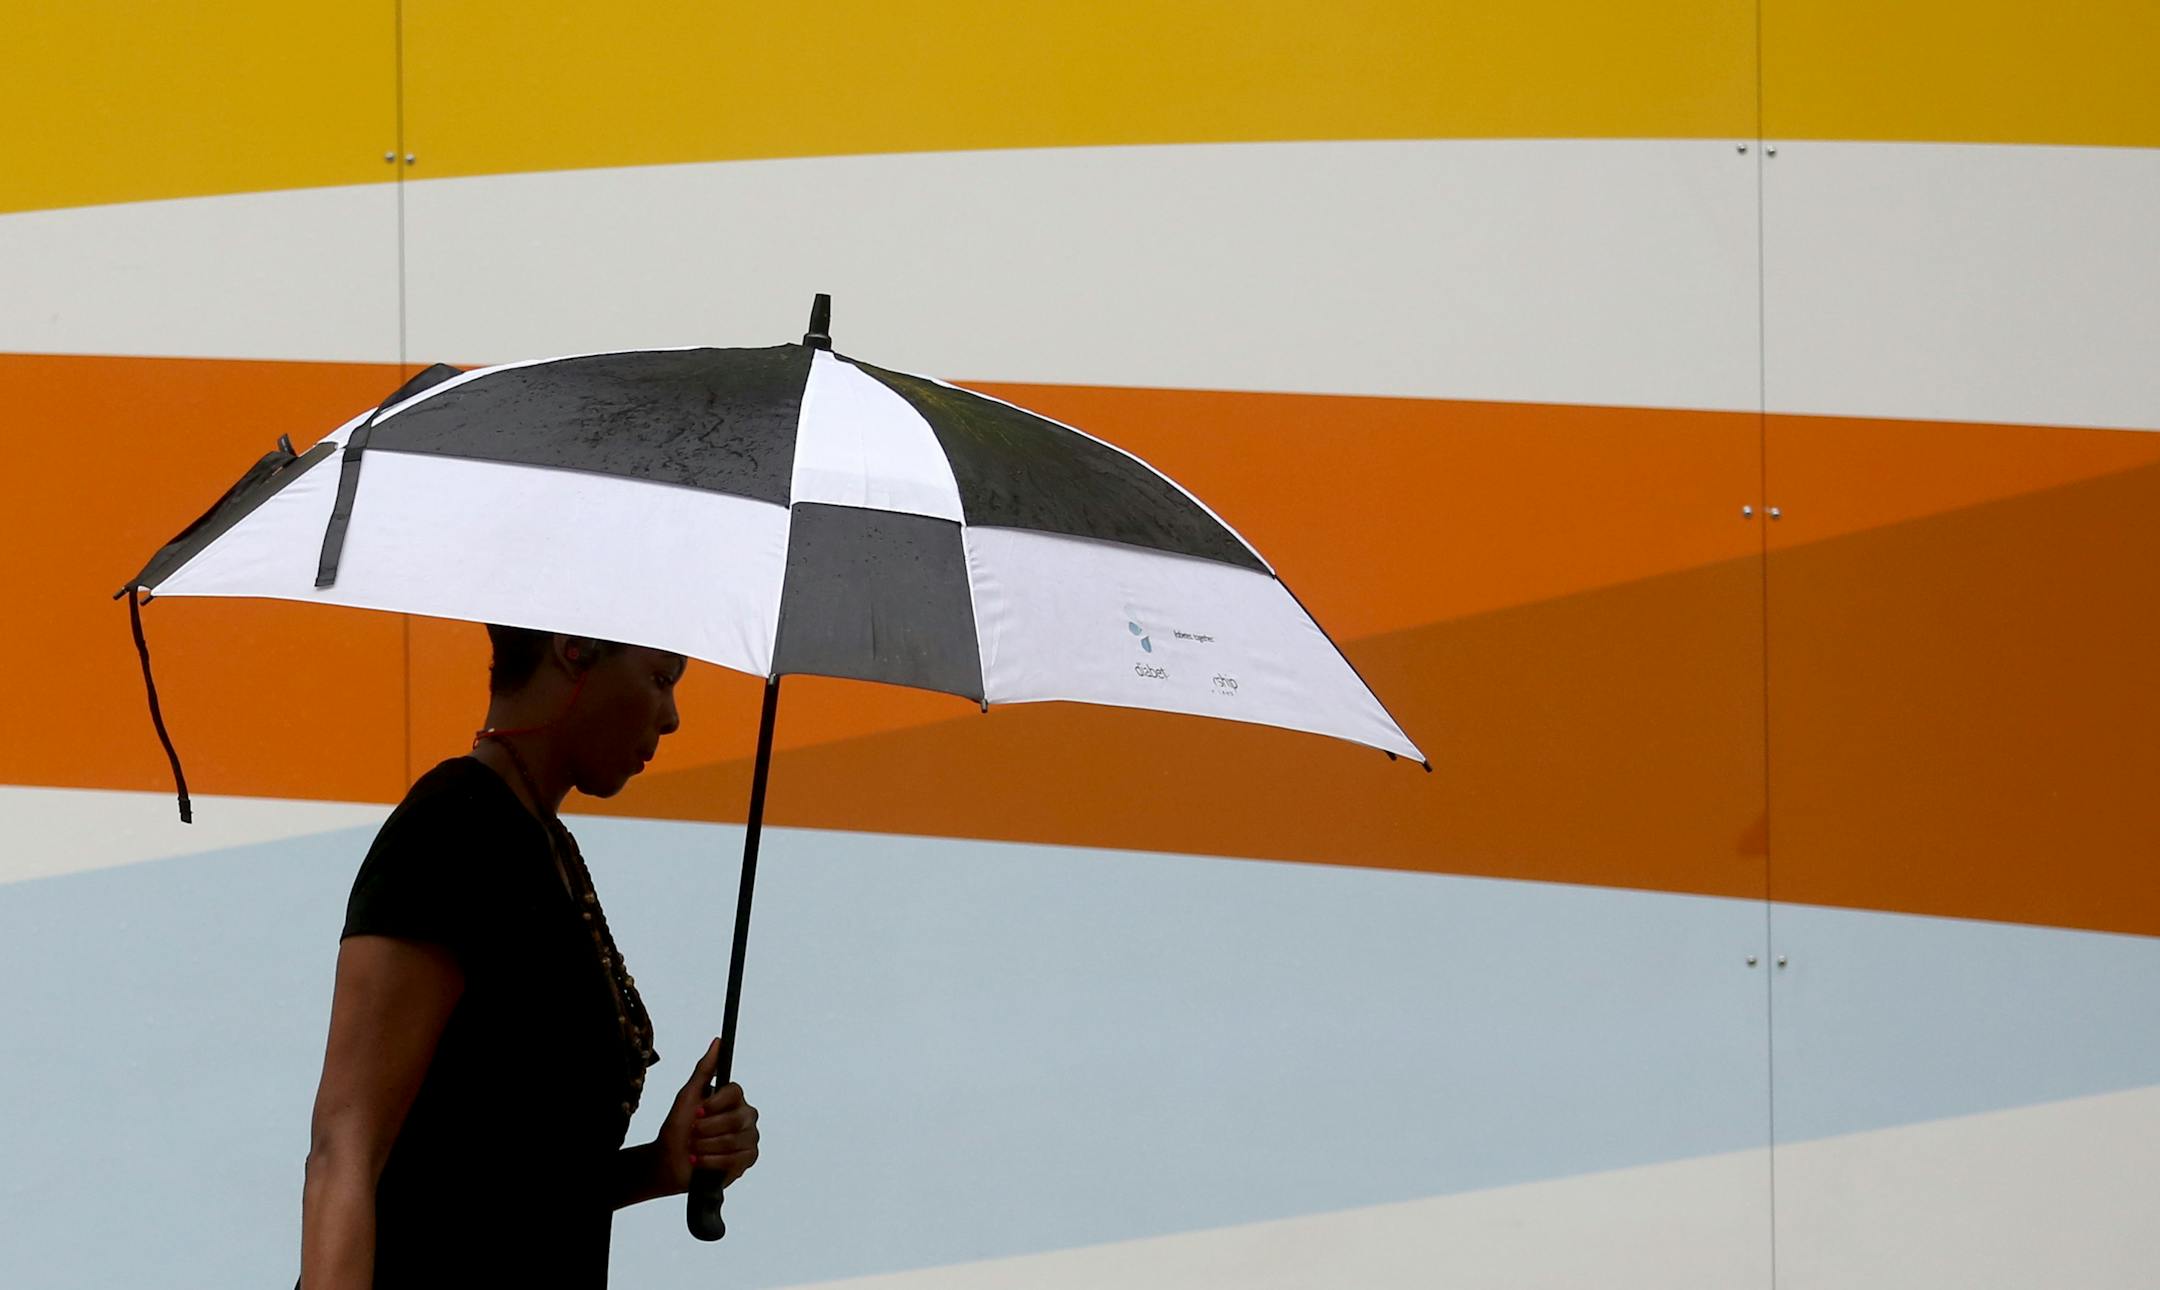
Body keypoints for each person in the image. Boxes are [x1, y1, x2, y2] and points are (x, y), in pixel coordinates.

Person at [298, 626, 760, 1288]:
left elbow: (500, 1193)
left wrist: (659, 1166)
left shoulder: (545, 842)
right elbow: (343, 1150)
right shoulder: (450, 832)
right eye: (661, 678)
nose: (672, 717)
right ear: (574, 647)